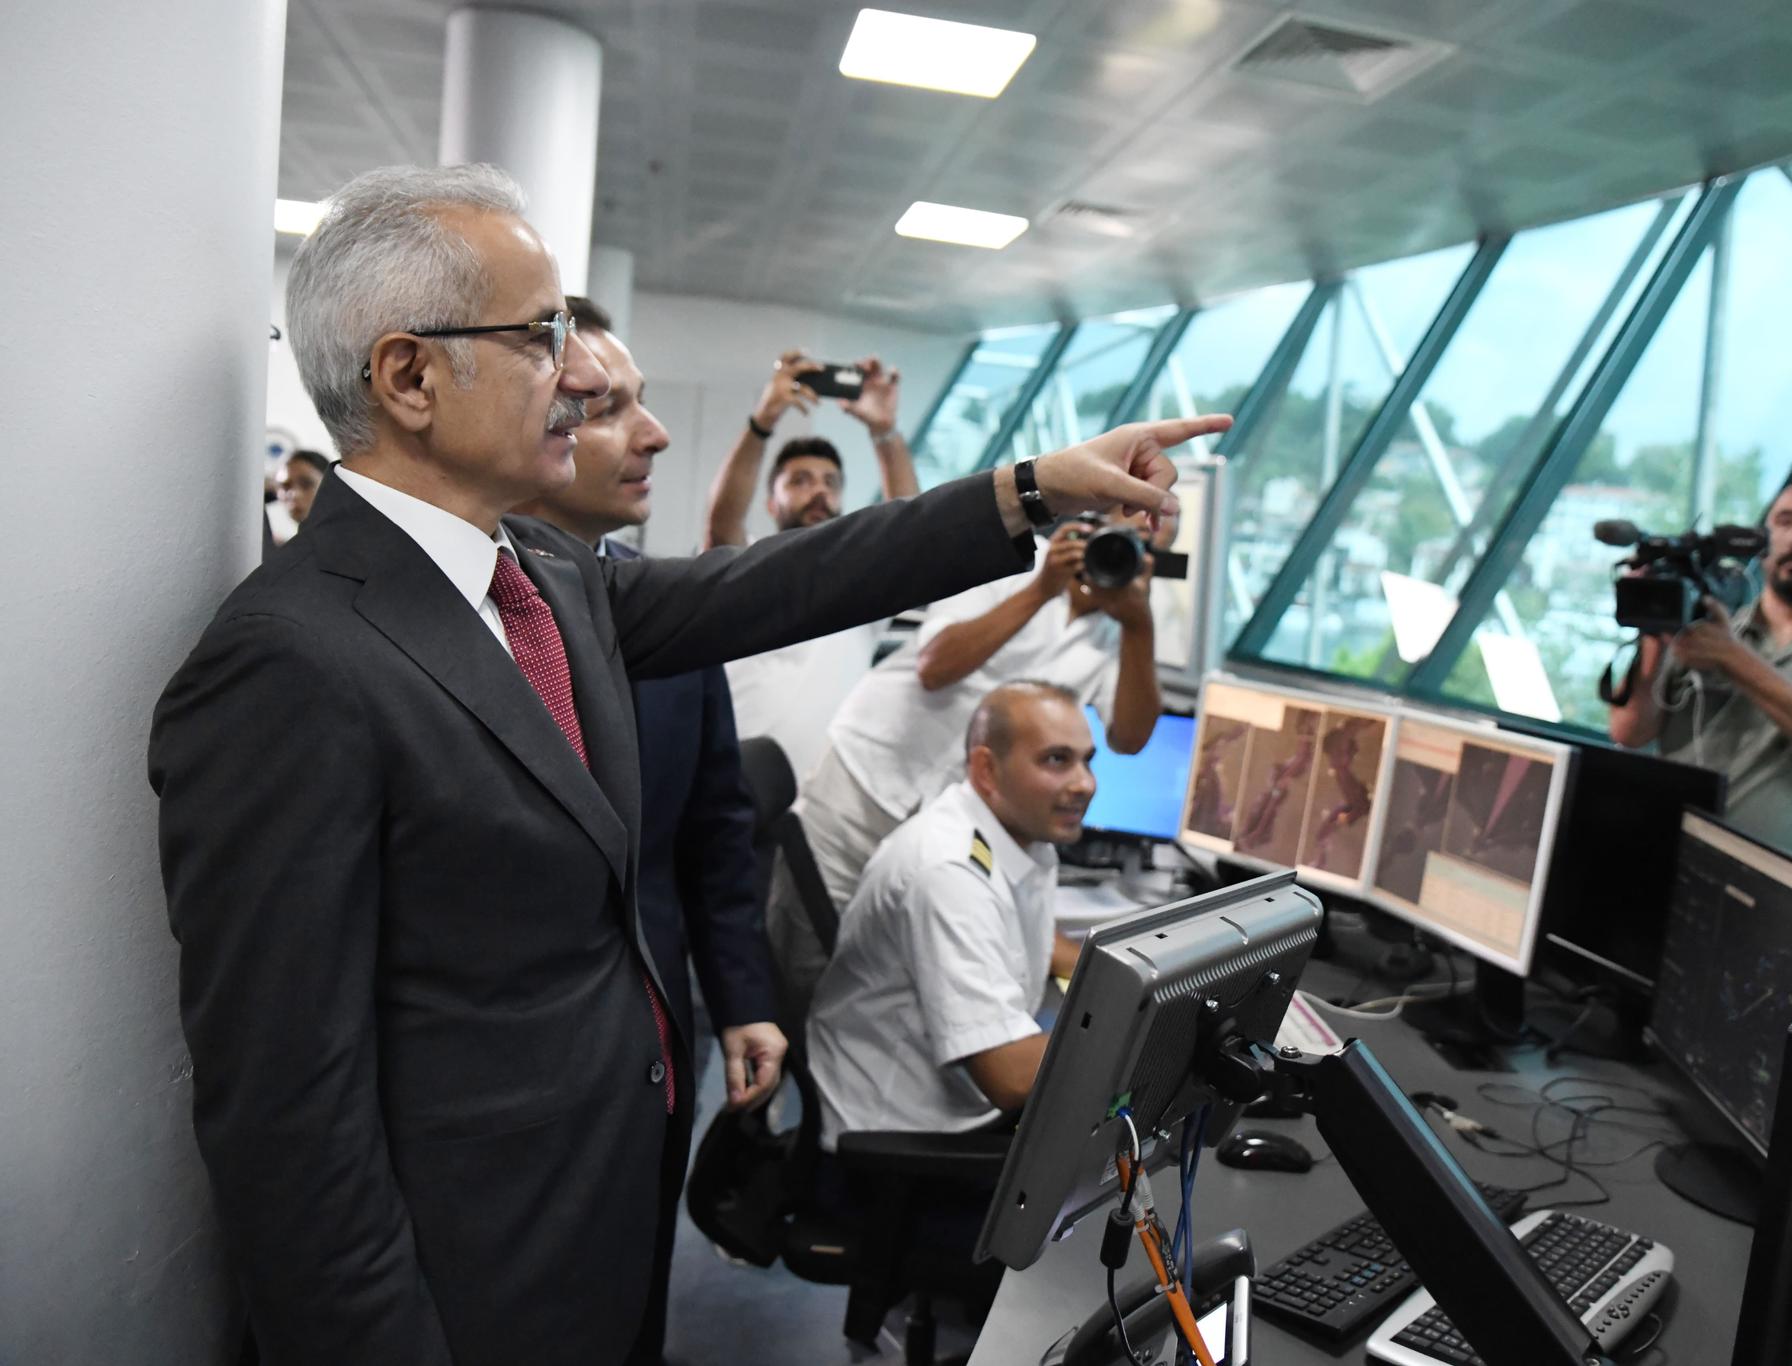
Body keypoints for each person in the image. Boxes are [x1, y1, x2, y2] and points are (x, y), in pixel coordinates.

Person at [148, 162, 1223, 1366]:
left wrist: (1025, 491)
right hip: (463, 1262)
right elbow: (287, 1114)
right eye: (541, 336)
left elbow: (789, 580)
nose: (575, 376)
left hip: (607, 1195)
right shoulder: (291, 662)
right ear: (408, 376)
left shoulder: (549, 579)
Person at [508, 294, 782, 1362]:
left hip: (657, 1055)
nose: (653, 434)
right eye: (608, 406)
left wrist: (741, 1001)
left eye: (643, 403)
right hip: (516, 1091)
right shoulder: (448, 633)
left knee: (631, 1311)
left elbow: (714, 831)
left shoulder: (664, 611)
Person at [793, 513, 1166, 922]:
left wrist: (1138, 624)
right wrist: (1042, 590)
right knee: (805, 940)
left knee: (885, 959)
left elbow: (1129, 739)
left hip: (941, 825)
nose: (1117, 554)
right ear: (1089, 523)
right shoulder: (1009, 562)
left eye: (1138, 546)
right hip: (864, 780)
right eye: (1115, 537)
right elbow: (935, 667)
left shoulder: (1123, 630)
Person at [805, 680, 1093, 1205]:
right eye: (1056, 760)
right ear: (986, 770)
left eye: (1086, 761)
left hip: (946, 1108)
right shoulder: (949, 872)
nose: (1084, 784)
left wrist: (1146, 977)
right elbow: (1008, 1078)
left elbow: (1036, 939)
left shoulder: (1013, 831)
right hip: (897, 1143)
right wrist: (1147, 1039)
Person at [1607, 472, 1792, 868]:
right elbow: (1630, 731)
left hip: (1784, 888)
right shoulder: (1700, 628)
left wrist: (1733, 658)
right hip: (1670, 860)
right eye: (1785, 521)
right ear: (1762, 543)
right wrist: (1656, 636)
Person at [704, 350, 918, 781]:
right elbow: (722, 523)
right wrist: (764, 419)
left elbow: (911, 532)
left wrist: (884, 431)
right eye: (800, 481)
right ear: (771, 502)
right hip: (731, 792)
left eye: (830, 483)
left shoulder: (857, 581)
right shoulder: (745, 568)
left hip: (820, 812)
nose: (819, 491)